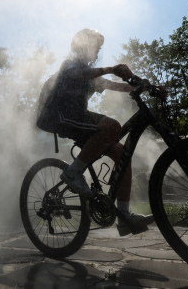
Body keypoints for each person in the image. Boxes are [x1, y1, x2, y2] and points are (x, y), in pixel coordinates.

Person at [37, 28, 157, 236]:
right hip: (62, 116)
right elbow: (79, 75)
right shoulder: (71, 64)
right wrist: (111, 68)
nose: (97, 52)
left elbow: (117, 86)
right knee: (112, 126)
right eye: (95, 47)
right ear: (83, 46)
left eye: (99, 48)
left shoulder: (91, 73)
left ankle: (124, 216)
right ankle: (72, 173)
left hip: (78, 117)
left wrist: (149, 87)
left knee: (122, 154)